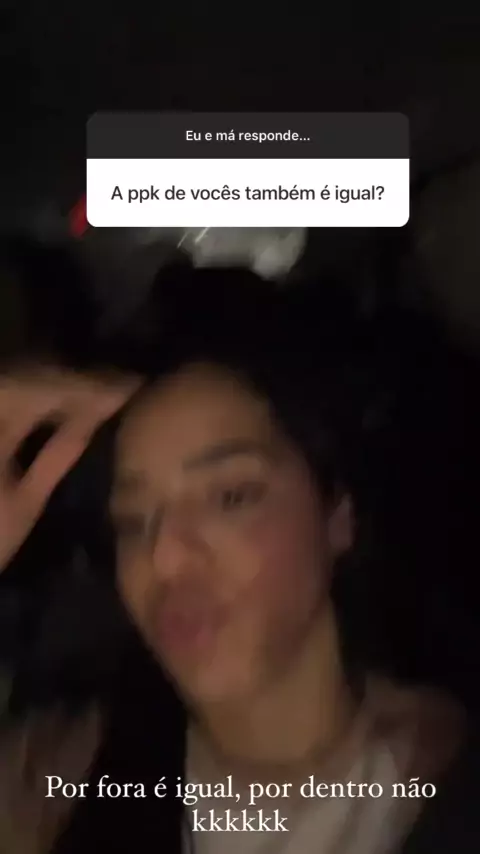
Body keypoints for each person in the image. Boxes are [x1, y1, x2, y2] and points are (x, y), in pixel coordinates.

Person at [0, 265, 476, 854]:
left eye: (231, 497)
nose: (164, 557)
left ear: (337, 515)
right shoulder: (50, 784)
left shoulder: (445, 783)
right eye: (133, 521)